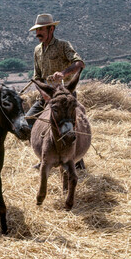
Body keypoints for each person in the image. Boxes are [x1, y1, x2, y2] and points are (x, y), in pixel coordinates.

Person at [25, 13, 86, 169]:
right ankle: (45, 155)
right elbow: (36, 77)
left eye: (41, 30)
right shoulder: (37, 50)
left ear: (51, 29)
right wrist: (43, 93)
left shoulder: (63, 46)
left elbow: (79, 63)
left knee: (71, 125)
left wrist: (64, 73)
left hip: (65, 97)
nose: (37, 34)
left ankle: (76, 159)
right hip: (45, 96)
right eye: (36, 31)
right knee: (28, 121)